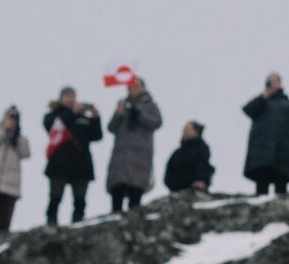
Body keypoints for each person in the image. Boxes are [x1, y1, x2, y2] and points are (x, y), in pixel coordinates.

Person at [43, 87, 103, 225]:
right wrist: (71, 112)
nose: (71, 98)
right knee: (55, 197)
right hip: (59, 163)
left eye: (73, 96)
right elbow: (51, 127)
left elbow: (97, 135)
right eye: (67, 95)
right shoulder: (53, 115)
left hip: (81, 164)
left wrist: (96, 118)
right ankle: (51, 223)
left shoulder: (83, 118)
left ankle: (78, 223)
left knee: (80, 200)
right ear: (61, 98)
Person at [242, 72, 289, 196]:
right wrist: (262, 97)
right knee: (261, 184)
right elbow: (248, 110)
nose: (272, 84)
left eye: (275, 81)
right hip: (261, 150)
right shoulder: (261, 102)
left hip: (283, 151)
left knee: (281, 185)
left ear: (280, 84)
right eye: (270, 81)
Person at [104, 76, 163, 212]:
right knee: (117, 190)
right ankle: (115, 216)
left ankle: (134, 219)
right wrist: (118, 114)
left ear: (143, 88)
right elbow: (111, 128)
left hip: (140, 156)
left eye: (136, 86)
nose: (133, 89)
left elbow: (156, 122)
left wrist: (138, 113)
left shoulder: (150, 105)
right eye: (131, 86)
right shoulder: (122, 105)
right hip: (121, 155)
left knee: (135, 192)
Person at [162, 121, 214, 194]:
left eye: (187, 129)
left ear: (196, 132)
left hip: (195, 190)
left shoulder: (202, 148)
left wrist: (200, 180)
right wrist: (172, 183)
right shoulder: (177, 153)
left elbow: (202, 165)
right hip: (176, 190)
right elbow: (169, 169)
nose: (184, 131)